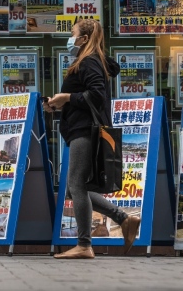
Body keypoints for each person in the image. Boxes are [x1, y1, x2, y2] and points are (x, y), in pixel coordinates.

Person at [42, 19, 141, 259]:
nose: (70, 38)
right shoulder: (89, 61)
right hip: (81, 128)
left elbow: (97, 95)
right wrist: (59, 104)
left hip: (85, 130)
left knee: (76, 185)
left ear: (84, 39)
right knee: (74, 188)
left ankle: (85, 245)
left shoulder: (89, 62)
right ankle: (124, 218)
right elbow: (86, 96)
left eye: (73, 33)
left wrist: (67, 98)